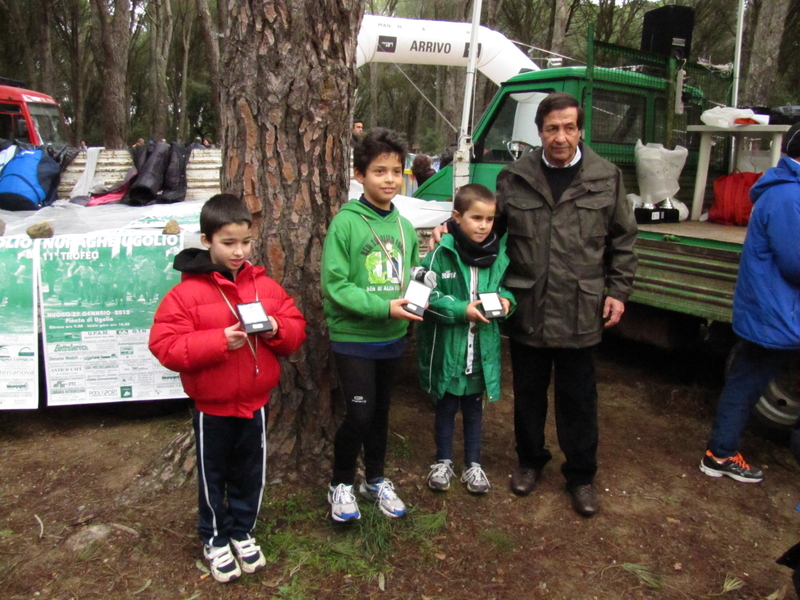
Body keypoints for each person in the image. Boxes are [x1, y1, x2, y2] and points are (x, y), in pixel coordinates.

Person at [431, 92, 637, 517]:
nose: (560, 137)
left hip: (582, 308)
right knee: (527, 394)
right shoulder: (515, 178)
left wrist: (617, 290)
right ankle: (529, 462)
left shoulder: (606, 177)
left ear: (580, 130)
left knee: (578, 398)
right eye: (551, 128)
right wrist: (449, 230)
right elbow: (486, 228)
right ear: (539, 132)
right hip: (527, 305)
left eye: (568, 127)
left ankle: (580, 475)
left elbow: (623, 240)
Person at [149, 194, 307, 583]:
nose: (239, 251)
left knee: (250, 472)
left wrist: (275, 328)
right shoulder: (185, 294)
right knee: (212, 475)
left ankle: (242, 531)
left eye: (246, 242)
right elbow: (164, 345)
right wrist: (219, 340)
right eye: (228, 243)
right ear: (206, 241)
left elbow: (295, 329)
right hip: (213, 407)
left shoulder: (265, 286)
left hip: (255, 404)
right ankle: (214, 537)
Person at [322, 127, 422, 522]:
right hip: (354, 337)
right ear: (359, 174)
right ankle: (341, 482)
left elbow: (412, 274)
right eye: (380, 171)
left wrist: (420, 293)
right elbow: (335, 285)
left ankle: (376, 479)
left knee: (381, 413)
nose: (390, 180)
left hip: (392, 337)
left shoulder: (405, 227)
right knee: (359, 414)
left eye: (397, 171)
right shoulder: (346, 224)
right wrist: (384, 307)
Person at [699, 122, 800, 483]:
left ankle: (720, 451)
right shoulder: (789, 196)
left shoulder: (786, 191)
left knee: (747, 379)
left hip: (773, 308)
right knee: (746, 382)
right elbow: (795, 261)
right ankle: (720, 453)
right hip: (774, 311)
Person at [416, 183, 515, 494]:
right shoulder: (441, 254)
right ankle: (442, 461)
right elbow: (425, 298)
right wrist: (461, 310)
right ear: (456, 217)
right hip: (449, 351)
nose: (484, 226)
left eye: (489, 219)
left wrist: (508, 302)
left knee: (474, 409)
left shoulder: (499, 255)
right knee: (445, 408)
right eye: (476, 218)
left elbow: (506, 288)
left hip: (480, 354)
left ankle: (474, 464)